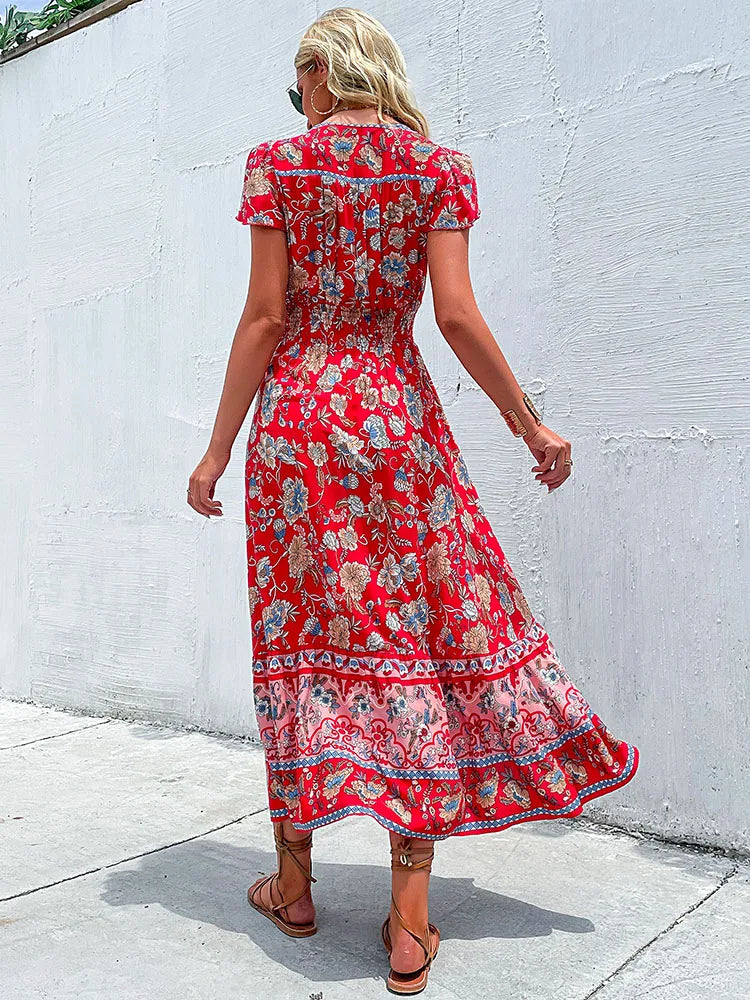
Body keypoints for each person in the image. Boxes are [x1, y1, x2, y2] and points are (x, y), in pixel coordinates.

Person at [187, 7, 640, 995]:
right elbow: (457, 313)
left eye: (295, 82)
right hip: (395, 422)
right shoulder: (437, 168)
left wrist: (217, 450)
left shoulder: (279, 165)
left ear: (316, 70)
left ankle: (296, 887)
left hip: (301, 426)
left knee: (295, 638)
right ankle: (408, 925)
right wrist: (531, 425)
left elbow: (266, 316)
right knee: (416, 644)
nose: (295, 101)